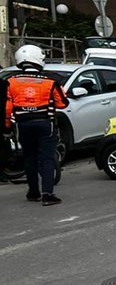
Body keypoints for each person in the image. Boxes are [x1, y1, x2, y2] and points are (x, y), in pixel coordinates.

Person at [4, 44, 68, 205]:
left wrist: (7, 126)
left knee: (29, 157)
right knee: (46, 158)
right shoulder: (51, 81)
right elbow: (62, 104)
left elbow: (7, 108)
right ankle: (48, 194)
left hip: (23, 125)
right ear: (39, 59)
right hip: (45, 123)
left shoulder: (10, 82)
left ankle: (33, 192)